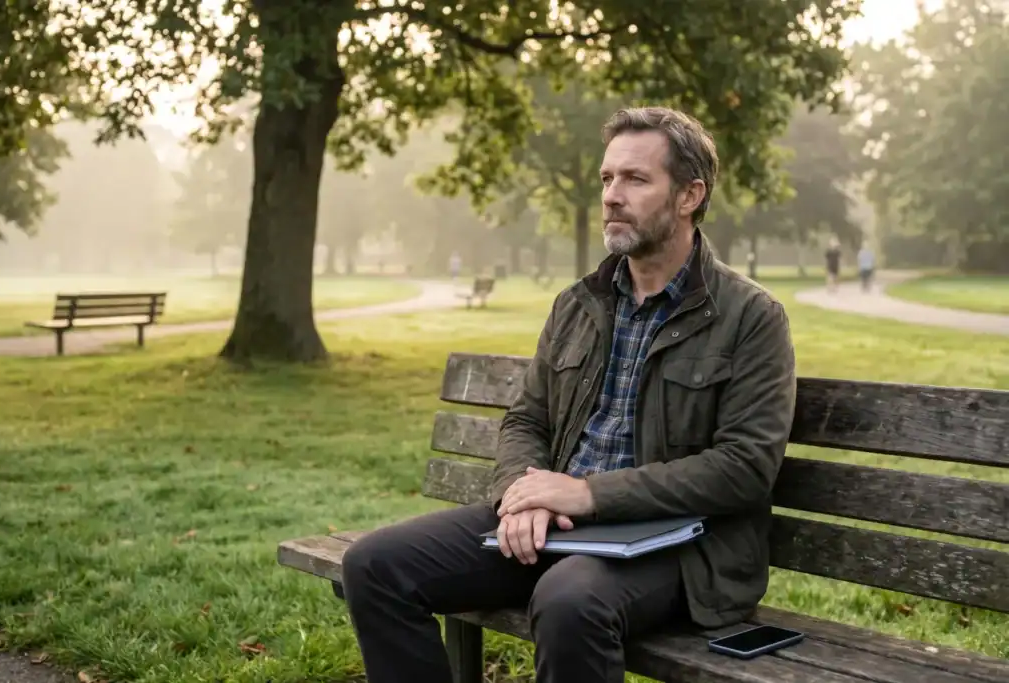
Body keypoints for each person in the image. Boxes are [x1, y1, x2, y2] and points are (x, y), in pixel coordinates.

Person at [340, 106, 798, 683]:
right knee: (374, 566)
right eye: (607, 178)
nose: (611, 195)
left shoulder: (751, 317)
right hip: (556, 523)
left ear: (689, 196)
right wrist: (520, 496)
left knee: (569, 602)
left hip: (681, 547)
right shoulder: (579, 303)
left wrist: (589, 494)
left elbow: (744, 468)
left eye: (635, 179)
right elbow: (525, 420)